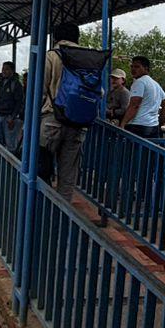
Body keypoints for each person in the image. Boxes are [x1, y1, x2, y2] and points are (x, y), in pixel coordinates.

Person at [39, 21, 109, 200]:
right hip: (78, 123)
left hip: (52, 121)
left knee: (40, 168)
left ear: (55, 37)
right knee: (68, 176)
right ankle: (61, 219)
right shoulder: (88, 59)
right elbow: (99, 91)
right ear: (76, 37)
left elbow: (39, 89)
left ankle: (40, 212)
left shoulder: (51, 56)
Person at [122, 55, 165, 139]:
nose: (133, 69)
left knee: (133, 151)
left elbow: (134, 105)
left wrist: (122, 124)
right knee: (148, 152)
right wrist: (159, 123)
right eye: (132, 66)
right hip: (153, 126)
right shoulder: (155, 84)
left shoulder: (139, 82)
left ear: (146, 68)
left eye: (137, 67)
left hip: (138, 125)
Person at [0, 60, 24, 153]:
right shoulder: (0, 82)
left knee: (10, 143)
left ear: (12, 71)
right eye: (3, 69)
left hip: (8, 117)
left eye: (6, 69)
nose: (4, 71)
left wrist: (12, 117)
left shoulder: (16, 84)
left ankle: (10, 165)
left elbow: (19, 103)